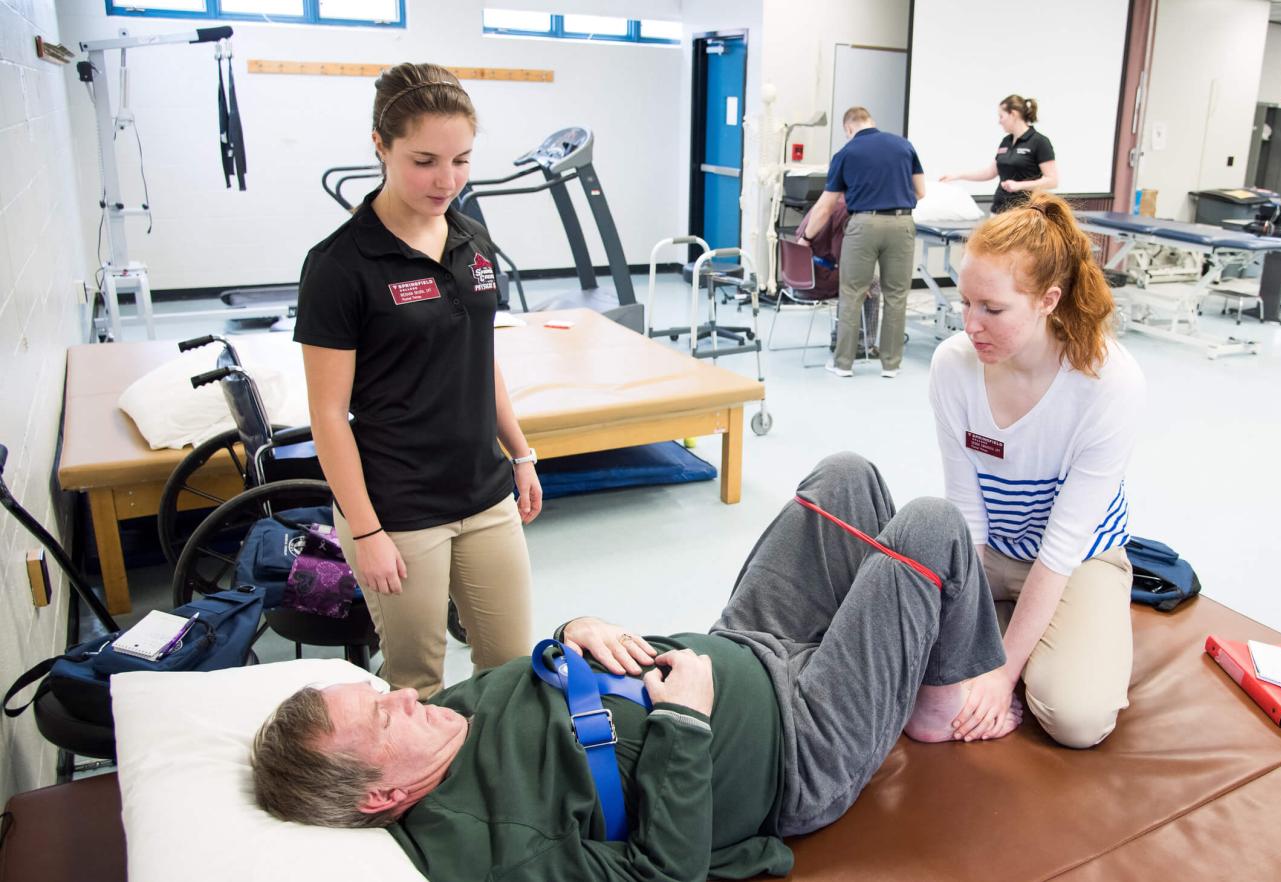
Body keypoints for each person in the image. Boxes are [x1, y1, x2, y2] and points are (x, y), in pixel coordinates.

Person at [251, 454, 1015, 880]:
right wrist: (682, 723)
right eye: (385, 716)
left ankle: (893, 644)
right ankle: (933, 704)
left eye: (382, 696)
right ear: (384, 792)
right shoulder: (491, 852)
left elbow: (535, 678)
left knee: (844, 477)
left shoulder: (442, 720)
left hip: (743, 642)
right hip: (799, 747)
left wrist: (572, 629)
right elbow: (660, 875)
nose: (403, 698)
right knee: (932, 526)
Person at [293, 63, 541, 699]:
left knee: (512, 674)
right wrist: (366, 530)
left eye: (461, 160)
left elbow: (480, 357)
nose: (447, 180)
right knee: (416, 687)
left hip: (483, 495)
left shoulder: (472, 237)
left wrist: (521, 454)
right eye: (425, 160)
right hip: (398, 509)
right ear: (380, 144)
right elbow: (327, 415)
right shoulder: (339, 265)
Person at [930, 190, 1146, 748]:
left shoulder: (1108, 383)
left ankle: (1077, 633)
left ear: (1049, 300)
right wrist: (966, 652)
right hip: (992, 552)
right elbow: (968, 518)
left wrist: (999, 675)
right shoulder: (953, 367)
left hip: (1078, 559)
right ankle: (1026, 632)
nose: (971, 325)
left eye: (992, 309)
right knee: (906, 666)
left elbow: (1060, 548)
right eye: (965, 303)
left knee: (1077, 720)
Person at [802, 107, 924, 379]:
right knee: (896, 296)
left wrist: (806, 237)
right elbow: (921, 191)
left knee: (852, 293)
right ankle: (891, 365)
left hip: (863, 225)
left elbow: (825, 207)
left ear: (848, 128)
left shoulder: (846, 153)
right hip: (901, 224)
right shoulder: (904, 145)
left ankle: (843, 364)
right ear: (872, 121)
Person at [792, 192, 879, 358]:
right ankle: (863, 345)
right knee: (872, 283)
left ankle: (838, 339)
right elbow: (844, 258)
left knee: (849, 277)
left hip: (799, 274)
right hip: (817, 280)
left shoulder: (825, 202)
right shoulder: (846, 210)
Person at [939, 95, 1059, 214]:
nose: (999, 121)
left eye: (1001, 116)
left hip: (1023, 213)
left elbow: (1052, 181)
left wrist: (1019, 186)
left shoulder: (1039, 141)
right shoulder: (1006, 141)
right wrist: (957, 176)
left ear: (1013, 114)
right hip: (999, 210)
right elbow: (990, 172)